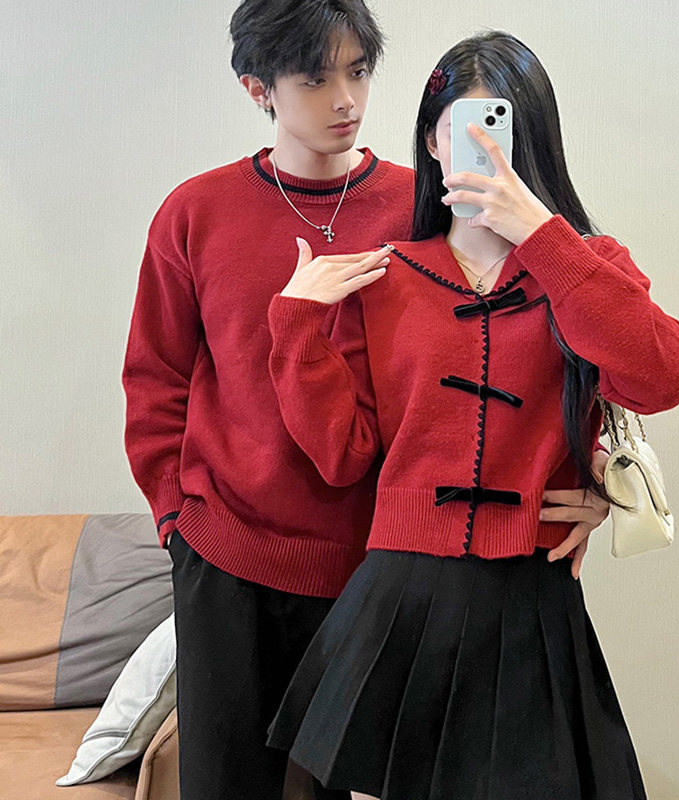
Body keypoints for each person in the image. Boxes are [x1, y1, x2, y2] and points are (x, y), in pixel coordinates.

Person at [264, 30, 679, 800]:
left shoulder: (586, 265)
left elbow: (664, 377)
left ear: (536, 141)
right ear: (433, 141)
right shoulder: (385, 277)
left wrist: (544, 241)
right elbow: (343, 456)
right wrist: (296, 327)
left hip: (532, 597)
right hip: (401, 599)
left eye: (504, 131)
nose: (486, 151)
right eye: (464, 130)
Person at [121, 2, 415, 798]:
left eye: (358, 72)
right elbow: (155, 377)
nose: (346, 100)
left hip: (371, 563)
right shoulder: (196, 212)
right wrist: (176, 521)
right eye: (315, 80)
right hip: (226, 557)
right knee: (223, 784)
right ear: (259, 90)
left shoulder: (419, 210)